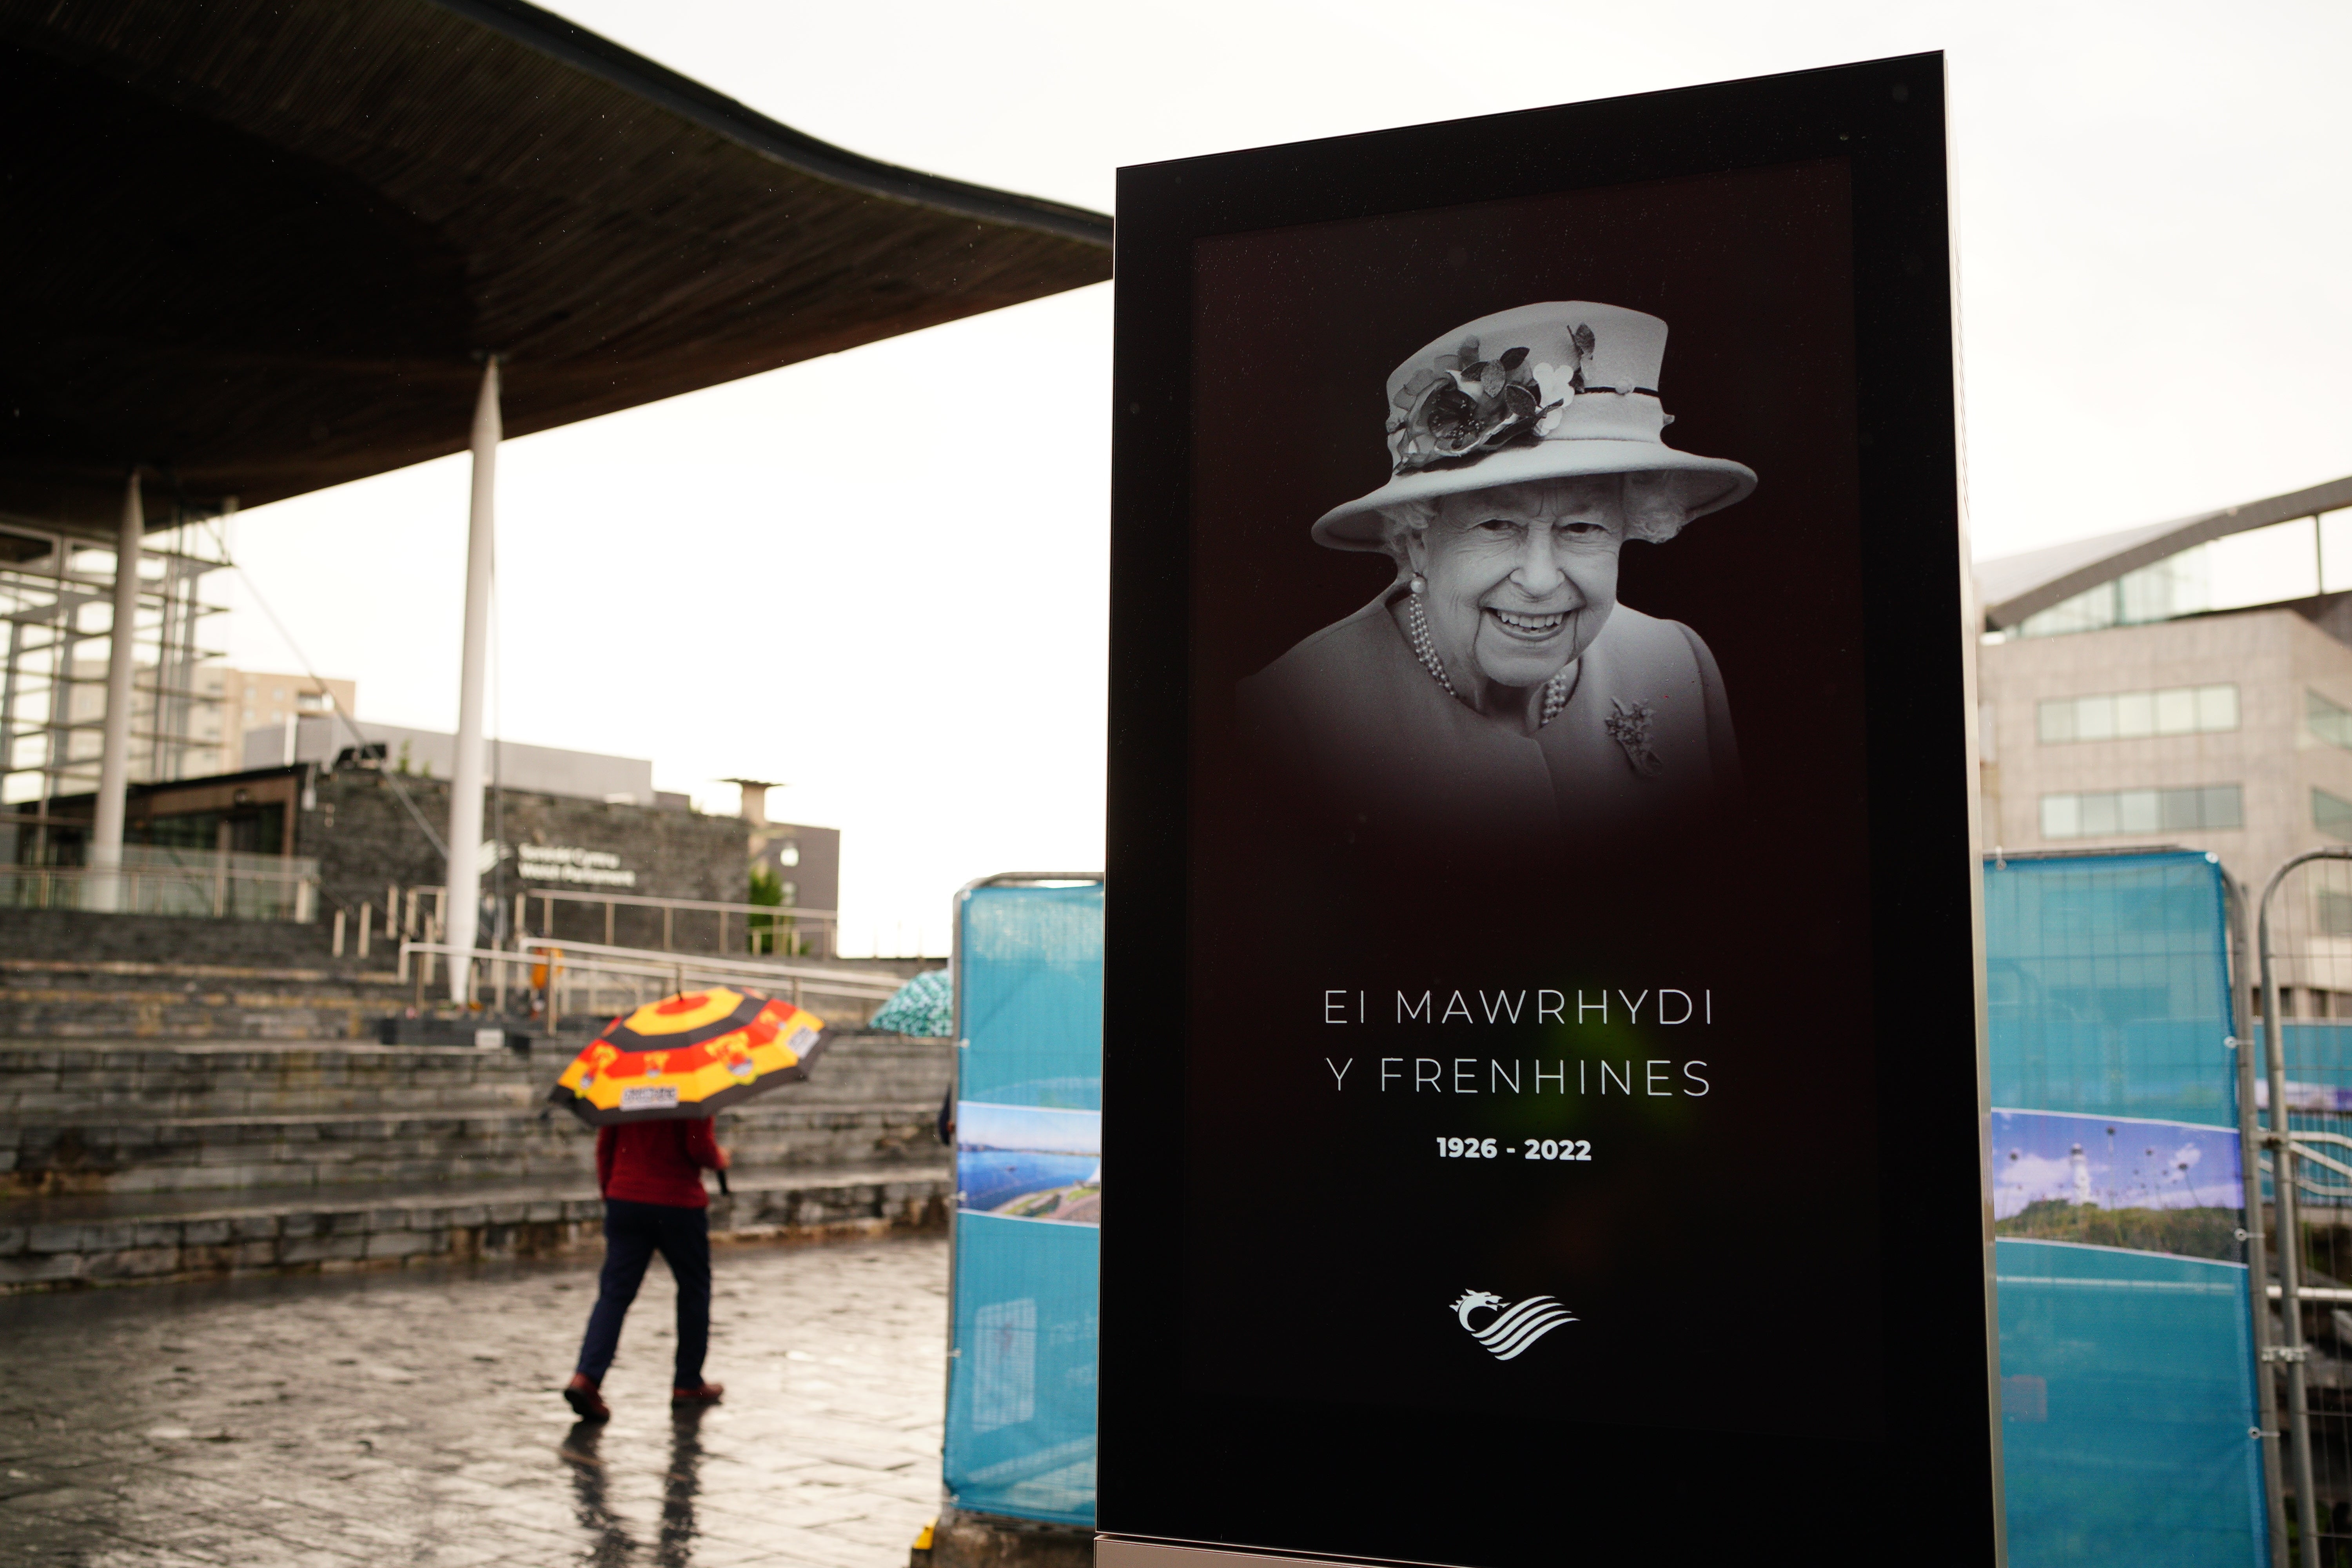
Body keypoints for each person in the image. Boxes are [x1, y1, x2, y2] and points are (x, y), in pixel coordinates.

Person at [1239, 301, 1755, 862]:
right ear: (1417, 541)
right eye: (1496, 525)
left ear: (1631, 527)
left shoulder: (1678, 666)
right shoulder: (1292, 716)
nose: (1539, 580)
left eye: (1582, 526)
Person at [563, 1116, 730, 1420]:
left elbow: (606, 1147)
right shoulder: (689, 1086)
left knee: (614, 1294)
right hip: (678, 1202)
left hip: (625, 1197)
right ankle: (687, 1382)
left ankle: (587, 1377)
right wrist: (720, 1158)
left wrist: (611, 1192)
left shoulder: (626, 1085)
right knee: (694, 1289)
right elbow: (699, 1149)